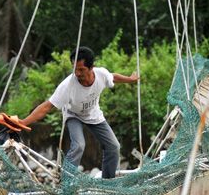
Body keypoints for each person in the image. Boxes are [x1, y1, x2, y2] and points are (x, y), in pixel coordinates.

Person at [19, 47, 139, 179]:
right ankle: (67, 183)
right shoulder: (67, 86)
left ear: (91, 67)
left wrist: (130, 79)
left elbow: (113, 77)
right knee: (79, 146)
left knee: (114, 146)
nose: (77, 73)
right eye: (74, 68)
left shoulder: (101, 74)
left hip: (93, 114)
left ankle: (107, 183)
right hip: (73, 115)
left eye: (81, 69)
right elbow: (46, 107)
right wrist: (23, 122)